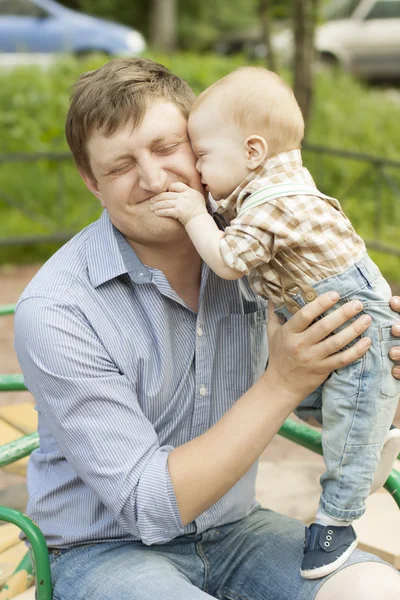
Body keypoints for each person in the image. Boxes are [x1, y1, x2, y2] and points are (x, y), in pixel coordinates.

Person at [14, 58, 400, 600]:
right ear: (91, 182)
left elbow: (339, 384)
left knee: (377, 589)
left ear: (203, 146)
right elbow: (149, 506)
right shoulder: (58, 308)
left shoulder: (260, 248)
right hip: (104, 549)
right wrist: (284, 380)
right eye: (121, 165)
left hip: (237, 530)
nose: (153, 180)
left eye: (167, 148)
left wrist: (374, 354)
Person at [150, 66, 400, 579]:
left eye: (202, 157)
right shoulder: (263, 190)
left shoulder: (275, 205)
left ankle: (338, 521)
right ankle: (384, 425)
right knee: (316, 404)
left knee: (350, 431)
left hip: (349, 319)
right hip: (328, 316)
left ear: (253, 152)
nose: (197, 173)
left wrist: (195, 214)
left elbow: (226, 259)